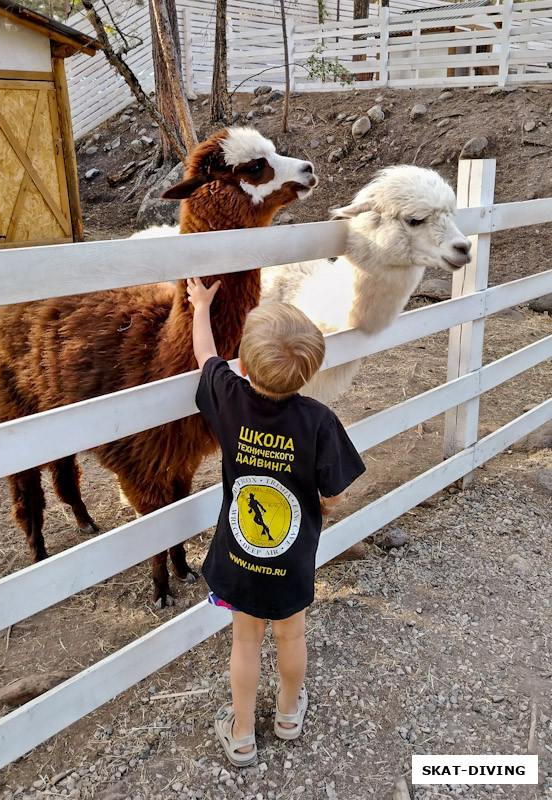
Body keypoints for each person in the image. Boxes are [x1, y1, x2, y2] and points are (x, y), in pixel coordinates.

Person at [187, 277, 366, 767]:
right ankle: (288, 714)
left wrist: (201, 306)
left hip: (241, 554)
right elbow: (335, 491)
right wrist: (327, 507)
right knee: (292, 635)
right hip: (291, 556)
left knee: (245, 641)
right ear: (310, 370)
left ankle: (242, 733)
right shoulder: (319, 420)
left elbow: (205, 356)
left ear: (243, 365)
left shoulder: (228, 397)